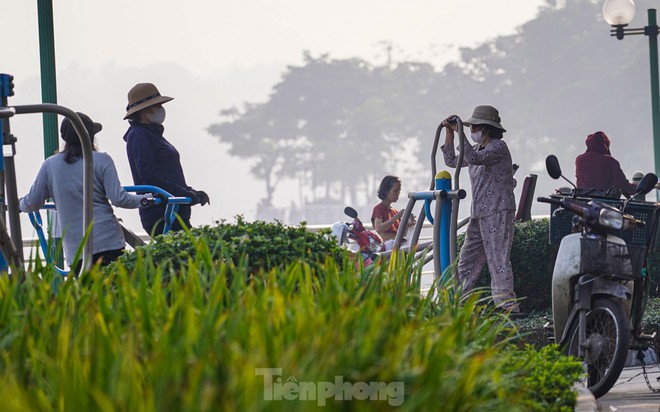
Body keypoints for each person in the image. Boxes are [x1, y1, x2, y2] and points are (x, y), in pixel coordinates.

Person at [19, 112, 150, 269]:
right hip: (109, 241)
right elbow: (119, 198)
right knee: (115, 290)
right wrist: (146, 199)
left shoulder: (50, 166)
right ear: (91, 136)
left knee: (90, 292)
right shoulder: (103, 160)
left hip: (77, 249)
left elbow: (32, 202)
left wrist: (17, 205)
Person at [440, 105, 519, 313]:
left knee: (498, 259)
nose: (472, 130)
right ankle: (458, 304)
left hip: (498, 210)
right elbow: (451, 161)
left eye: (474, 127)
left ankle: (508, 308)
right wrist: (450, 134)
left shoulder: (498, 147)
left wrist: (460, 133)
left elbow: (475, 160)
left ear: (485, 129)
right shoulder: (476, 149)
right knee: (467, 260)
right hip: (479, 212)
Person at [123, 82, 210, 237]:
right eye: (155, 106)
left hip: (175, 210)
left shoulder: (154, 135)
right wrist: (179, 193)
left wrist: (189, 191)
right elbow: (148, 173)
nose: (160, 109)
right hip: (161, 213)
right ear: (143, 111)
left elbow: (168, 173)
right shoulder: (139, 135)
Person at [575, 131, 637, 197]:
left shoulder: (579, 159)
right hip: (605, 202)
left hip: (582, 202)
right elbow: (621, 183)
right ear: (605, 144)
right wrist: (636, 187)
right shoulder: (610, 161)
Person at [371, 175, 415, 243]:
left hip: (396, 246)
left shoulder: (394, 212)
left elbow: (402, 234)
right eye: (395, 191)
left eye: (399, 191)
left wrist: (407, 224)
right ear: (386, 191)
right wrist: (396, 217)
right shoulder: (378, 209)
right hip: (386, 248)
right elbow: (379, 229)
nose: (398, 194)